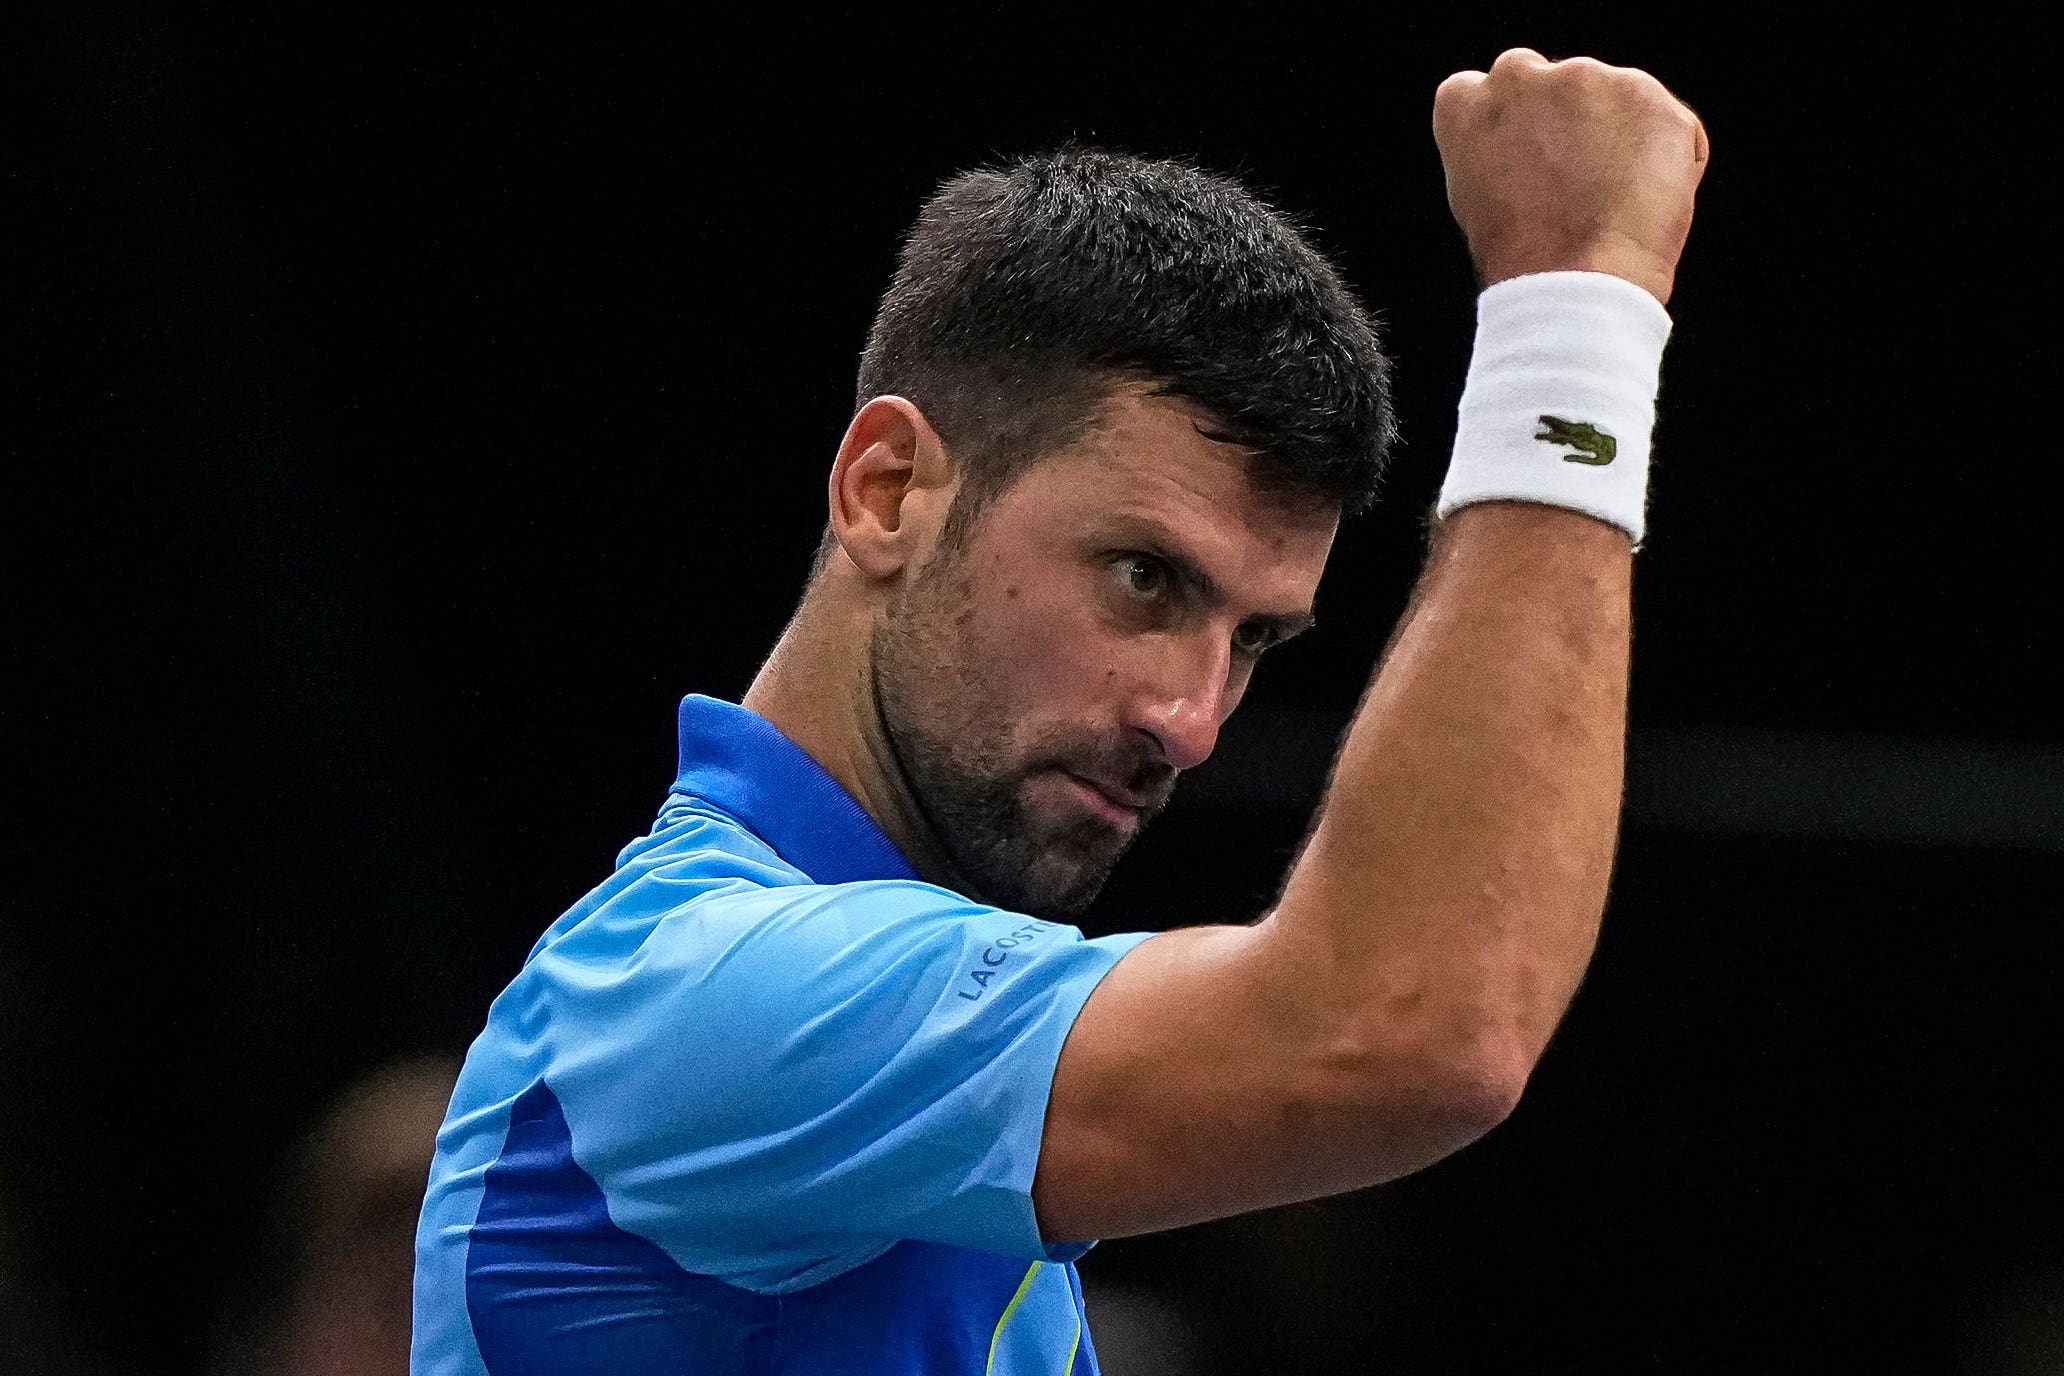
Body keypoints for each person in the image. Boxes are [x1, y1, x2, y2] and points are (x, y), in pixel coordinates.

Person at [412, 48, 1707, 1375]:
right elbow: (1410, 1028)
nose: (1193, 720)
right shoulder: (706, 996)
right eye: (1144, 579)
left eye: (1251, 638)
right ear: (889, 490)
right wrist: (1576, 313)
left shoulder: (820, 1027)